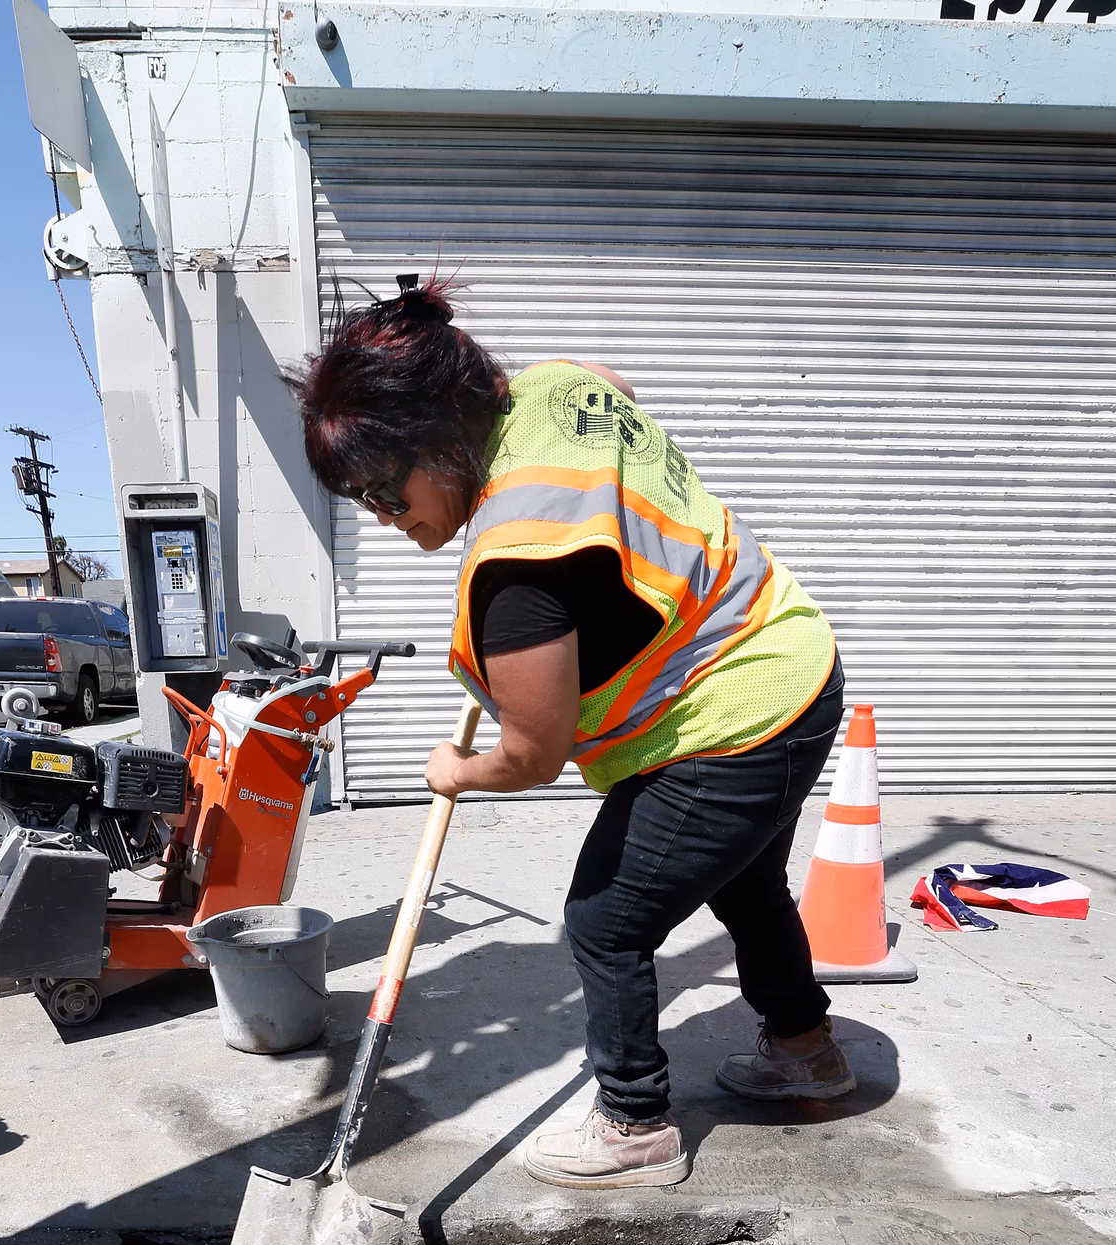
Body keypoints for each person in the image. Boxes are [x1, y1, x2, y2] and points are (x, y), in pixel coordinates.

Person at [291, 276, 854, 1190]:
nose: (390, 523)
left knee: (605, 920)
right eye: (367, 506)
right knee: (747, 886)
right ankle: (807, 1049)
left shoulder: (516, 571)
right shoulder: (554, 387)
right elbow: (614, 383)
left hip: (730, 721)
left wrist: (456, 771)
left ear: (438, 439)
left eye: (386, 495)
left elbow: (534, 755)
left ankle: (633, 1123)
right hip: (792, 662)